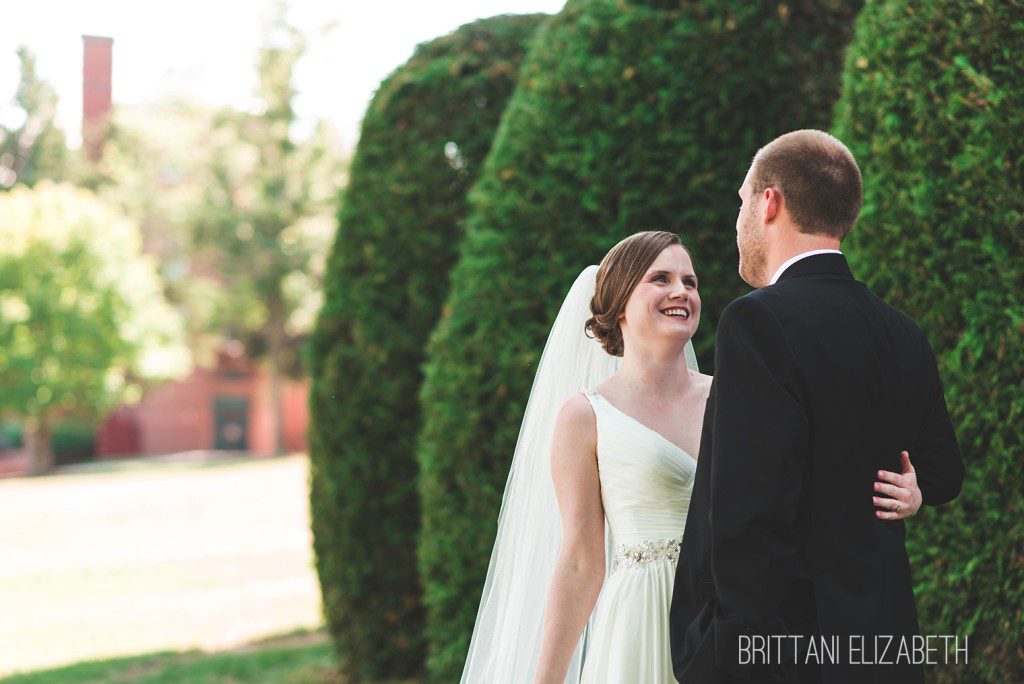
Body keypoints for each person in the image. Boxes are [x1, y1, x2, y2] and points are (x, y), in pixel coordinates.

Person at [462, 227, 925, 683]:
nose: (681, 291)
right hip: (640, 625)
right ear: (621, 301)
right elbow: (582, 562)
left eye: (691, 282)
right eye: (660, 279)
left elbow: (822, 476)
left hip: (734, 625)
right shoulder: (585, 417)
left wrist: (910, 489)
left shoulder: (742, 395)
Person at [669, 130, 964, 684]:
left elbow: (748, 511)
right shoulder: (903, 333)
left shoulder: (756, 322)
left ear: (769, 203)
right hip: (886, 647)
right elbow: (945, 473)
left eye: (740, 204)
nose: (738, 225)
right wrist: (917, 491)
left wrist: (719, 649)